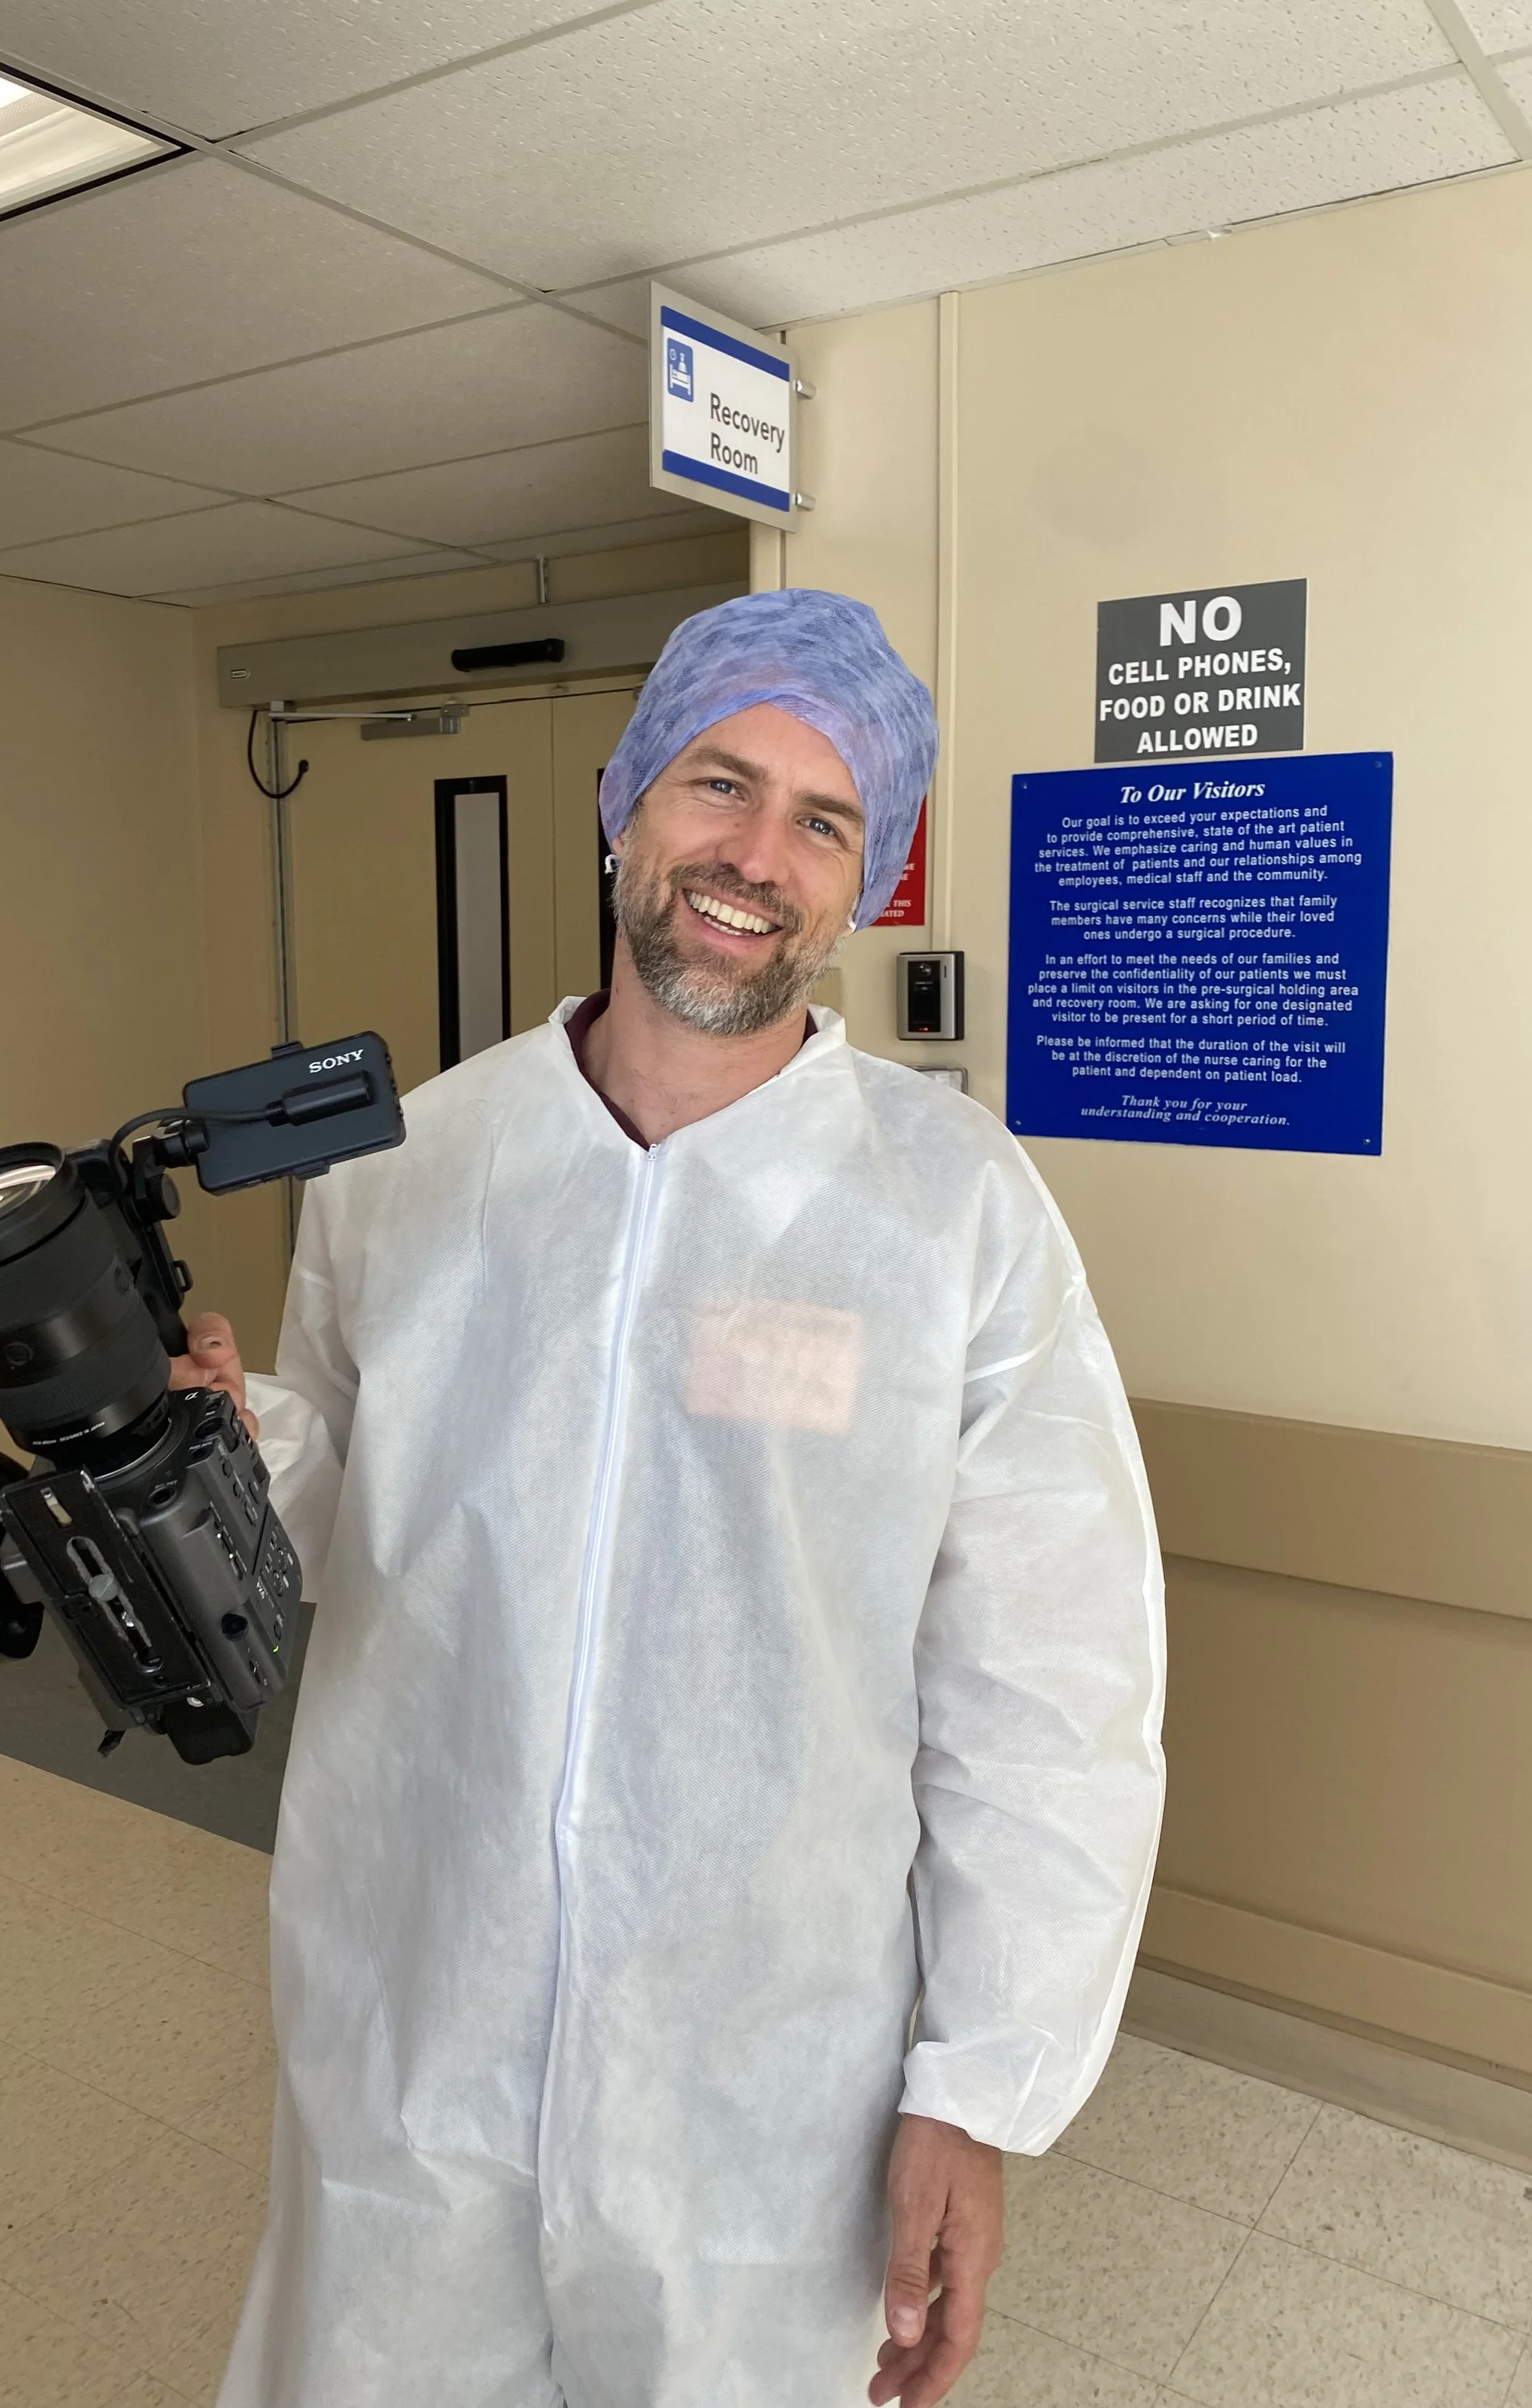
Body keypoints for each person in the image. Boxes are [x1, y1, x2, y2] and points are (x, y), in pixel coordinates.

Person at [185, 588, 1166, 2408]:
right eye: (720, 784)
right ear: (623, 800)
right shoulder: (409, 1167)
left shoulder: (949, 1213)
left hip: (759, 2098)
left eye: (821, 819)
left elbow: (1049, 1683)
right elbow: (340, 1517)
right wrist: (229, 1449)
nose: (753, 856)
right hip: (415, 2021)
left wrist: (975, 2086)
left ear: (862, 886)